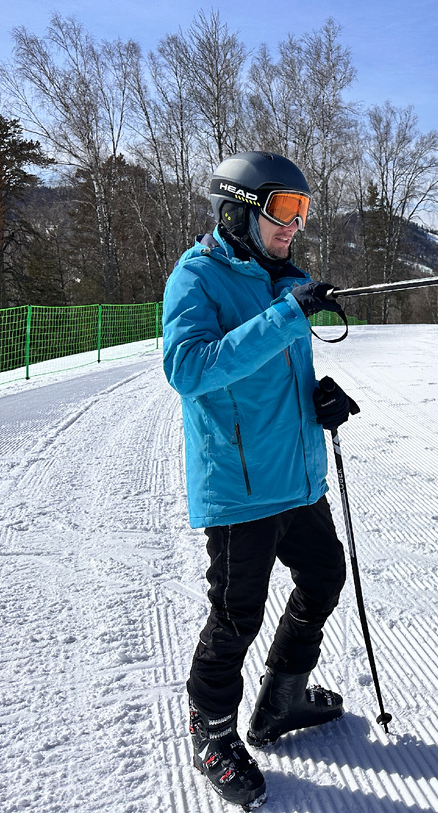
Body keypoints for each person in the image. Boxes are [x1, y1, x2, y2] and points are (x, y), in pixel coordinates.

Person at [162, 151, 357, 811]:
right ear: (237, 209)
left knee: (325, 576)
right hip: (240, 485)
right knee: (235, 614)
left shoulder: (287, 278)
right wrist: (284, 316)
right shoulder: (197, 277)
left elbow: (273, 373)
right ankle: (211, 733)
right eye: (283, 209)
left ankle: (281, 698)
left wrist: (318, 397)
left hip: (296, 476)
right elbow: (189, 369)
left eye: (303, 212)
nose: (294, 225)